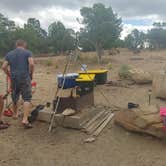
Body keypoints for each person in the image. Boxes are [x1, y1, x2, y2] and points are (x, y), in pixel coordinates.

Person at [1, 39, 35, 129]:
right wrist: (30, 74)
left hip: (14, 78)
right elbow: (31, 64)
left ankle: (15, 114)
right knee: (27, 98)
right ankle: (25, 119)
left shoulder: (9, 54)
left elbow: (3, 67)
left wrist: (9, 74)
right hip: (24, 77)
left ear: (16, 45)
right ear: (24, 45)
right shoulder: (28, 53)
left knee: (15, 96)